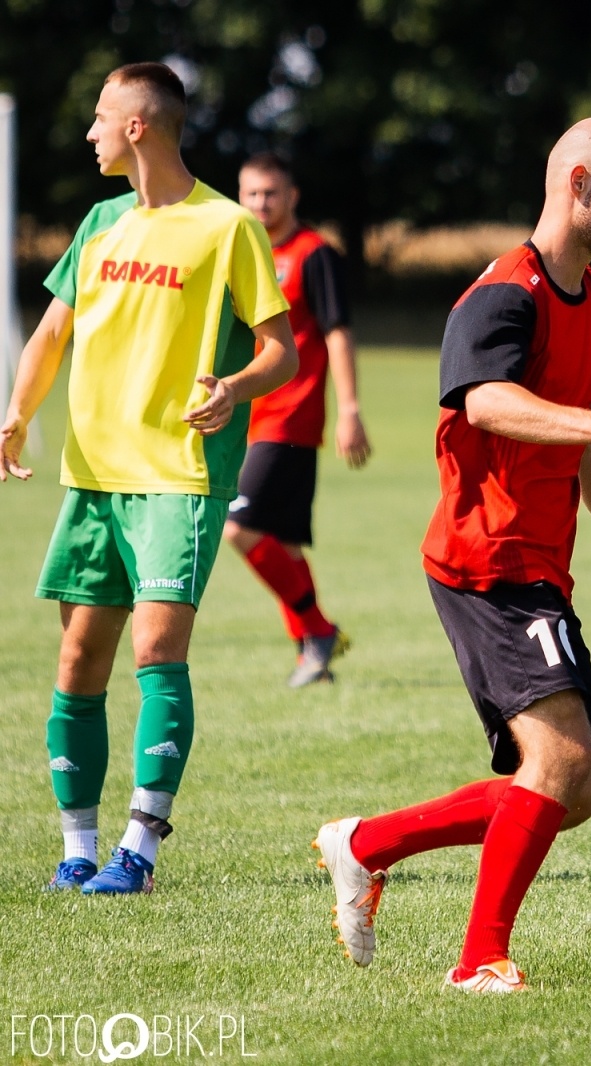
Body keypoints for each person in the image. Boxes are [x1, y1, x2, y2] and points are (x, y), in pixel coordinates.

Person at [312, 118, 591, 992]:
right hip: (484, 561)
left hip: (537, 566)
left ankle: (366, 844)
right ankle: (478, 959)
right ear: (578, 184)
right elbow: (486, 401)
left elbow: (582, 447)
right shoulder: (502, 294)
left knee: (574, 788)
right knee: (558, 766)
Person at [0, 63, 296, 893]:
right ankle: (78, 849)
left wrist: (233, 389)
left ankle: (139, 849)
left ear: (138, 126)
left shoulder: (227, 227)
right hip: (93, 478)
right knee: (76, 664)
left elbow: (283, 351)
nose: (90, 131)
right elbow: (52, 333)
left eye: (100, 116)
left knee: (157, 649)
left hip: (178, 477)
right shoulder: (99, 223)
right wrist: (17, 413)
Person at [227, 152, 371, 687]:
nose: (261, 203)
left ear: (292, 197)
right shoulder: (244, 253)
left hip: (290, 418)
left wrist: (349, 411)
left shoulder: (314, 255)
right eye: (251, 194)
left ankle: (317, 628)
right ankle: (311, 653)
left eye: (271, 193)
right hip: (246, 414)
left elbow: (337, 332)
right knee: (281, 542)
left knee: (238, 529)